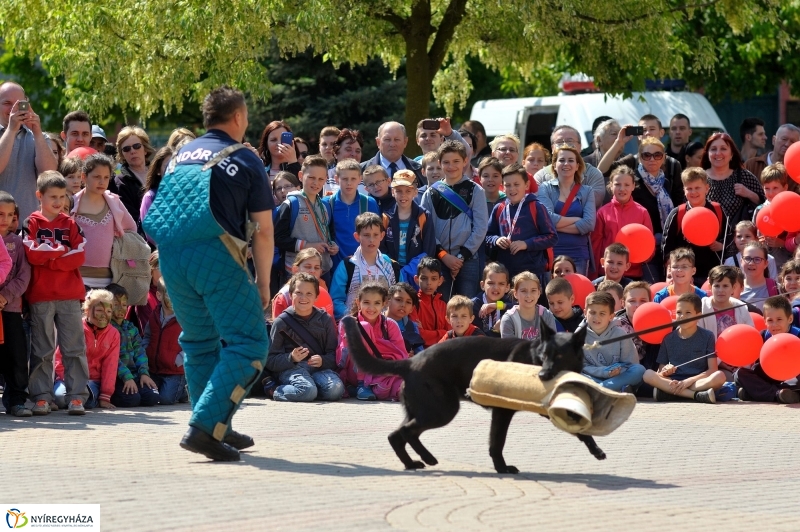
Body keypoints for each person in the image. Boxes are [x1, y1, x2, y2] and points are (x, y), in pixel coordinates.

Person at [142, 86, 275, 461]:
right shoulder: (245, 159)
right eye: (246, 115)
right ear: (237, 117)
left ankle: (217, 425)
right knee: (249, 342)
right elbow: (263, 231)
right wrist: (263, 284)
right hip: (216, 257)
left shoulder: (182, 154)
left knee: (200, 342)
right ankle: (205, 426)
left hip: (170, 258)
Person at [24, 171, 88, 416]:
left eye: (62, 196)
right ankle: (41, 396)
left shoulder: (71, 223)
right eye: (53, 196)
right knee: (42, 349)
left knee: (74, 347)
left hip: (70, 295)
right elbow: (31, 252)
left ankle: (76, 397)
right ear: (39, 195)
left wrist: (49, 259)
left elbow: (79, 255)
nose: (58, 201)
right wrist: (62, 250)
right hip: (40, 295)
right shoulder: (31, 222)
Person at [421, 140, 487, 300]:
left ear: (465, 161)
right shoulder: (431, 193)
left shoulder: (475, 190)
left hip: (469, 258)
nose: (451, 166)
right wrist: (443, 255)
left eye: (456, 161)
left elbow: (481, 227)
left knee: (467, 304)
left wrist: (461, 256)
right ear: (439, 163)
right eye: (446, 162)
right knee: (440, 304)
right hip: (440, 259)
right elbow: (425, 228)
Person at [264, 272, 344, 402]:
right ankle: (275, 390)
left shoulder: (325, 319)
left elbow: (334, 355)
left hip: (318, 369)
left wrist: (322, 360)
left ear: (316, 297)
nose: (303, 298)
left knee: (336, 389)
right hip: (291, 369)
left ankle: (311, 392)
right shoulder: (281, 322)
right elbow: (270, 360)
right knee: (307, 390)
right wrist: (291, 357)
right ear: (290, 295)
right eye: (298, 293)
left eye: (309, 294)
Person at [643, 293, 724, 402]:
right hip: (672, 380)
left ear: (698, 316)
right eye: (679, 312)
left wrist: (688, 381)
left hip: (696, 381)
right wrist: (666, 371)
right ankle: (696, 396)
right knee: (648, 374)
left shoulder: (708, 336)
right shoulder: (668, 338)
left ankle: (670, 393)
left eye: (688, 313)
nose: (682, 316)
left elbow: (712, 369)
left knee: (720, 376)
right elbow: (660, 371)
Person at [72, 153, 137, 289]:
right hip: (78, 276)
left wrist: (117, 246)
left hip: (109, 277)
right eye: (96, 177)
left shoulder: (114, 202)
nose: (102, 182)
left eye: (106, 177)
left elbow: (131, 229)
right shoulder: (72, 203)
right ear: (84, 177)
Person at [486, 162, 557, 281]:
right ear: (502, 186)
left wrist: (526, 244)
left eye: (516, 184)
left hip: (532, 273)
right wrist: (496, 240)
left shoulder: (536, 207)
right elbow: (487, 236)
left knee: (530, 300)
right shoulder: (499, 208)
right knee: (502, 300)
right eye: (507, 185)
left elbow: (552, 237)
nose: (512, 189)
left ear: (526, 184)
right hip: (504, 273)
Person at [335, 282, 406, 401]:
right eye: (366, 302)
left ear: (384, 304)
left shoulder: (390, 325)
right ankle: (362, 384)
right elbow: (340, 362)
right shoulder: (347, 323)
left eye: (377, 303)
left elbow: (401, 356)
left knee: (406, 390)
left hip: (382, 371)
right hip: (355, 371)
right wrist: (348, 343)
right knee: (364, 326)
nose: (371, 308)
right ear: (358, 302)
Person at [275, 155, 338, 284]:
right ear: (300, 176)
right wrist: (308, 245)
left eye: (321, 179)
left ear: (326, 179)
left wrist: (333, 245)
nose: (316, 183)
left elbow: (330, 234)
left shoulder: (325, 205)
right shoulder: (291, 204)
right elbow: (278, 238)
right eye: (311, 177)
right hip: (297, 273)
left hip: (322, 271)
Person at [0, 81, 59, 220]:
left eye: (19, 104)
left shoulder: (39, 137)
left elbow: (49, 173)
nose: (14, 109)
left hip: (29, 224)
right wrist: (11, 130)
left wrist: (37, 131)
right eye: (7, 103)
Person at [54, 289, 119, 410]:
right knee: (60, 399)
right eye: (99, 310)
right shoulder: (76, 329)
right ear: (87, 310)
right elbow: (60, 358)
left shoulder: (114, 334)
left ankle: (88, 398)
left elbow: (111, 365)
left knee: (86, 400)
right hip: (69, 379)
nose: (104, 315)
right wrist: (70, 381)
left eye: (109, 311)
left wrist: (106, 395)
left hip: (93, 381)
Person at [599, 115, 685, 207]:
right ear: (638, 135)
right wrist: (619, 142)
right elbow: (601, 170)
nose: (647, 133)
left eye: (652, 129)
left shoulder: (673, 165)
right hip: (636, 219)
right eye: (643, 130)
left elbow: (679, 201)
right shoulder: (632, 161)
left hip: (666, 220)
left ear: (661, 132)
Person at [662, 167, 728, 285]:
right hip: (685, 275)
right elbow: (667, 245)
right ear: (684, 190)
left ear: (707, 188)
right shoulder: (678, 213)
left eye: (697, 188)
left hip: (712, 273)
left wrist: (722, 245)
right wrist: (672, 270)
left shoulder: (717, 210)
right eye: (689, 189)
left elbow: (730, 235)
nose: (693, 192)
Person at [537, 144, 596, 276]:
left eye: (571, 160)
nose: (566, 164)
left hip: (578, 254)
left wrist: (554, 226)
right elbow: (547, 220)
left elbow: (589, 224)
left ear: (577, 166)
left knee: (577, 295)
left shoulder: (587, 191)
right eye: (561, 160)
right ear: (554, 165)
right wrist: (576, 220)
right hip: (551, 253)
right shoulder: (545, 188)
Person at [330, 212, 397, 320]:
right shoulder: (348, 266)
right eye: (366, 235)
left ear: (382, 235)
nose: (371, 240)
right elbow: (336, 300)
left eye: (375, 235)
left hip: (385, 325)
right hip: (355, 325)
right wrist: (352, 318)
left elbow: (397, 296)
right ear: (357, 236)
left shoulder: (391, 266)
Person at [735, 295, 800, 403]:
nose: (774, 325)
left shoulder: (798, 335)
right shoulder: (762, 336)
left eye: (779, 319)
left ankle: (754, 394)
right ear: (764, 321)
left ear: (790, 319)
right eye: (770, 320)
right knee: (740, 374)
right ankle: (779, 394)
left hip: (793, 377)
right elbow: (756, 364)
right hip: (770, 376)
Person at [591, 166, 653, 280]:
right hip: (607, 273)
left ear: (633, 186)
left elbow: (649, 243)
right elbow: (596, 245)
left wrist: (642, 259)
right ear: (611, 185)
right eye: (617, 184)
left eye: (627, 185)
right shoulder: (602, 212)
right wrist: (595, 273)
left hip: (633, 273)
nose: (622, 189)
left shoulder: (642, 212)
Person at [0, 192, 31, 416]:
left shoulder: (17, 242)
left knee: (16, 355)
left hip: (10, 308)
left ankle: (16, 400)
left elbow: (23, 276)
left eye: (10, 215)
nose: (5, 219)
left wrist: (5, 296)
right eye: (0, 214)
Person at [106, 283, 160, 408]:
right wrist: (127, 377)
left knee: (153, 397)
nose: (121, 308)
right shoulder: (107, 329)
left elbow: (140, 352)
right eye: (116, 305)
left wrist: (144, 374)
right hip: (117, 377)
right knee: (131, 400)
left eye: (124, 305)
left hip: (135, 375)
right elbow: (112, 358)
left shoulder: (131, 328)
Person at [697, 265, 755, 379]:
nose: (720, 290)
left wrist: (738, 361)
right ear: (710, 286)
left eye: (725, 286)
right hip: (712, 364)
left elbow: (749, 337)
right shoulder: (702, 307)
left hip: (738, 362)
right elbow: (699, 341)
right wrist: (720, 362)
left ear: (733, 288)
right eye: (717, 286)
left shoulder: (741, 307)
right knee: (728, 378)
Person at [581, 291, 644, 393]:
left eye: (602, 313)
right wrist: (604, 372)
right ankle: (613, 390)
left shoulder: (621, 335)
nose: (596, 317)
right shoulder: (579, 336)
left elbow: (630, 363)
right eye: (592, 312)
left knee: (639, 370)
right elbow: (581, 365)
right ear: (585, 313)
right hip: (592, 377)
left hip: (617, 377)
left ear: (611, 316)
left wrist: (616, 371)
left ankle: (600, 390)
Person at [324, 159, 380, 267]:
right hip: (334, 265)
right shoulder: (326, 203)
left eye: (353, 179)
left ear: (360, 179)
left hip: (364, 265)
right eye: (345, 179)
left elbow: (377, 235)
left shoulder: (369, 203)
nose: (349, 183)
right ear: (336, 179)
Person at [532, 125, 606, 208]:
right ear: (552, 148)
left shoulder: (594, 174)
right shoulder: (541, 176)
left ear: (580, 147)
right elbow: (539, 206)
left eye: (570, 142)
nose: (565, 145)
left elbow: (592, 203)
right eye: (559, 142)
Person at [142, 278, 188, 405]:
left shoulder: (185, 318)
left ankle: (183, 389)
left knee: (165, 399)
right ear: (159, 295)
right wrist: (147, 349)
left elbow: (193, 342)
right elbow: (147, 335)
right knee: (148, 395)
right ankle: (179, 391)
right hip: (155, 369)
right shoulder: (155, 315)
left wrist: (179, 360)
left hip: (174, 371)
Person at [703, 132, 764, 226]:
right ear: (707, 153)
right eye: (713, 149)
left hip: (738, 238)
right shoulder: (699, 178)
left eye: (723, 149)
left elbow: (764, 204)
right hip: (706, 235)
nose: (718, 153)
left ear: (731, 154)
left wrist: (748, 193)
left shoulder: (744, 176)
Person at [379, 171, 435, 270]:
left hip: (416, 271)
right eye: (399, 191)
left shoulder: (424, 216)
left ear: (415, 192)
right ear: (392, 192)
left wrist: (412, 269)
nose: (403, 195)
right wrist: (393, 267)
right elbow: (381, 247)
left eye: (408, 191)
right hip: (391, 270)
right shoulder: (385, 217)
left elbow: (428, 249)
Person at [271, 248, 334, 319]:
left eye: (316, 268)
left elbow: (331, 322)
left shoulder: (322, 286)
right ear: (295, 270)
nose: (312, 271)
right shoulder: (283, 297)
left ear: (320, 271)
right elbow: (278, 327)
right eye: (308, 267)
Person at [613, 281, 660, 375]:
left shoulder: (658, 322)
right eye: (632, 301)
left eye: (643, 301)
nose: (638, 305)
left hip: (651, 373)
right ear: (623, 303)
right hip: (622, 372)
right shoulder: (614, 326)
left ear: (650, 302)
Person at [752, 163, 792, 269]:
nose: (771, 192)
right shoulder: (759, 210)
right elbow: (753, 236)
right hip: (763, 264)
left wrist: (782, 243)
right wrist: (757, 241)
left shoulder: (792, 210)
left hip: (786, 264)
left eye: (775, 188)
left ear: (785, 187)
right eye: (767, 188)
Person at [500, 272, 556, 339]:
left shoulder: (547, 315)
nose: (528, 295)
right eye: (523, 291)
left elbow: (552, 345)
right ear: (515, 294)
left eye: (533, 290)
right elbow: (509, 348)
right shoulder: (509, 319)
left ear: (539, 293)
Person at [408, 256, 450, 347]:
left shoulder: (444, 304)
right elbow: (419, 335)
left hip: (443, 352)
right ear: (416, 279)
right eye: (424, 278)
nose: (429, 283)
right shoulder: (413, 303)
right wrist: (443, 332)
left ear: (440, 281)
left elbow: (452, 333)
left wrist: (429, 333)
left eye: (434, 279)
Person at [471, 262, 512, 337]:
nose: (496, 287)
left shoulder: (506, 302)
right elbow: (477, 339)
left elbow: (520, 309)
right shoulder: (473, 305)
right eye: (491, 283)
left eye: (501, 284)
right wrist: (495, 330)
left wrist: (498, 305)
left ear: (507, 287)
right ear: (482, 285)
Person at [385, 282, 425, 355]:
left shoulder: (412, 327)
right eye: (398, 300)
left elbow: (420, 355)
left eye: (408, 302)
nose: (403, 305)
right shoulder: (375, 323)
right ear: (387, 301)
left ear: (412, 309)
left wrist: (413, 358)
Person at [740, 241, 781, 311]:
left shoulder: (777, 289)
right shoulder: (734, 290)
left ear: (766, 264)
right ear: (741, 261)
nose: (751, 263)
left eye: (757, 259)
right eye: (747, 258)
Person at [139, 146, 174, 225]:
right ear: (158, 170)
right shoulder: (150, 197)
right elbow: (149, 232)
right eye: (167, 166)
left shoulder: (187, 195)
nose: (172, 169)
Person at [325, 128, 364, 194]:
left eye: (357, 151)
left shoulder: (368, 179)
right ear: (335, 153)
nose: (353, 154)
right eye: (348, 149)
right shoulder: (324, 178)